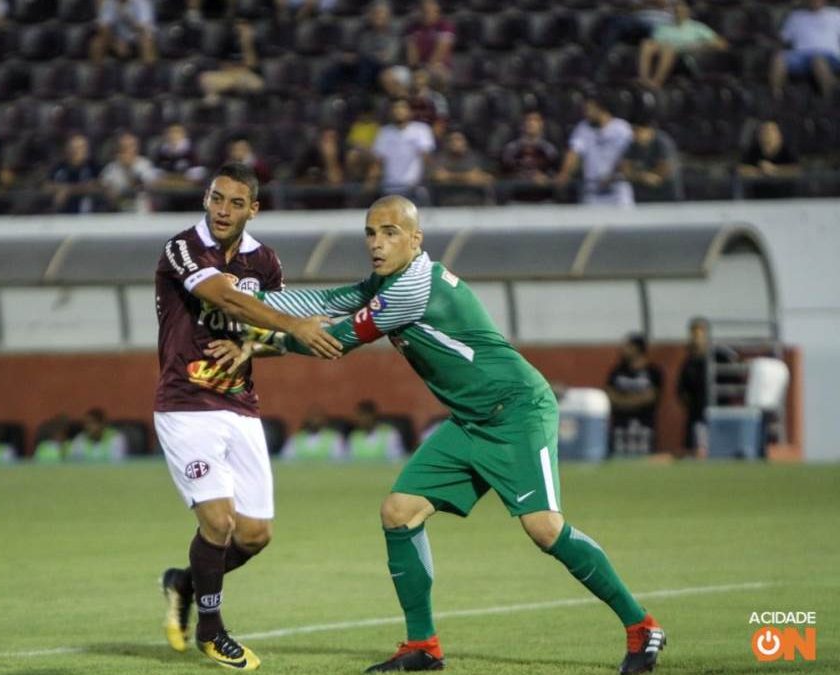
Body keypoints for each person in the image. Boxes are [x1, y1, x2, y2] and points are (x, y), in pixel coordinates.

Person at [238, 195, 665, 673]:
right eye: (371, 233)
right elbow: (319, 302)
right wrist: (234, 300)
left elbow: (332, 339)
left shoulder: (412, 289)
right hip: (471, 420)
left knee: (544, 528)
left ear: (416, 239)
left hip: (517, 412)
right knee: (400, 512)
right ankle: (423, 647)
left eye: (390, 233)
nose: (377, 243)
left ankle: (642, 627)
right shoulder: (384, 283)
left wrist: (262, 340)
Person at [154, 162, 341, 671]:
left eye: (236, 203)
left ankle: (183, 584)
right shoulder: (183, 248)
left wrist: (256, 350)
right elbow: (226, 299)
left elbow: (272, 340)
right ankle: (213, 632)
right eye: (216, 198)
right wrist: (293, 324)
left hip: (240, 407)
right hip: (185, 404)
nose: (222, 210)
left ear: (253, 209)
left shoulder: (267, 262)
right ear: (206, 199)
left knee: (254, 534)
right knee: (217, 521)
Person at [555, 94, 635, 206]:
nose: (586, 113)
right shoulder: (583, 128)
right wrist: (565, 173)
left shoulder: (621, 128)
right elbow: (574, 153)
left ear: (600, 109)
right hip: (592, 193)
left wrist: (613, 175)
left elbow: (628, 156)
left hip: (617, 192)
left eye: (589, 110)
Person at [676, 317, 738, 458]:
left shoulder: (720, 357)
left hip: (720, 415)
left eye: (699, 334)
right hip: (697, 417)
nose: (695, 338)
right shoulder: (689, 362)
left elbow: (733, 379)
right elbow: (681, 390)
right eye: (693, 334)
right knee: (696, 451)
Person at [637, 2, 726, 90]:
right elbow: (654, 43)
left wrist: (701, 45)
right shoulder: (663, 27)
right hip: (661, 49)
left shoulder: (697, 27)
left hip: (685, 52)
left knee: (668, 49)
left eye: (681, 9)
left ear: (688, 11)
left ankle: (656, 82)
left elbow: (721, 44)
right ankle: (644, 78)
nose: (678, 11)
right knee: (647, 43)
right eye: (676, 9)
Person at [605, 333, 664, 456]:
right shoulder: (617, 371)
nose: (623, 349)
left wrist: (623, 401)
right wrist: (636, 400)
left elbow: (651, 396)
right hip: (620, 428)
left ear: (637, 348)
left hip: (645, 428)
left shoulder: (653, 371)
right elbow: (609, 395)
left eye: (628, 346)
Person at [770, 0, 840, 99]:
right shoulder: (795, 17)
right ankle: (776, 95)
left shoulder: (835, 14)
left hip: (828, 55)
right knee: (779, 58)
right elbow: (783, 39)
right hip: (801, 56)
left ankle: (829, 97)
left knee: (818, 61)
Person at [500, 110, 560, 202]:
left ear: (542, 124)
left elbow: (558, 176)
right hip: (517, 200)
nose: (531, 123)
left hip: (543, 200)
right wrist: (523, 177)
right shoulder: (511, 149)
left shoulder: (550, 150)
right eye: (528, 120)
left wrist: (547, 179)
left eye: (535, 120)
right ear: (522, 124)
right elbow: (503, 175)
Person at [619, 116, 680, 202]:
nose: (635, 134)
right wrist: (642, 176)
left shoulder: (662, 142)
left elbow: (662, 173)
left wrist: (638, 175)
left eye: (639, 130)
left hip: (666, 197)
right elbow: (625, 169)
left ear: (649, 130)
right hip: (643, 198)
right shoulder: (633, 145)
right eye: (634, 130)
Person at [737, 119, 802, 199]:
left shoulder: (787, 151)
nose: (767, 136)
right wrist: (760, 171)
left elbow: (797, 170)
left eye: (771, 132)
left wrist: (774, 170)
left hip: (786, 200)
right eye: (764, 132)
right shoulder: (752, 151)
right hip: (757, 200)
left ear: (779, 136)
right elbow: (740, 169)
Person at [280, 404, 346, 461]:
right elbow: (286, 461)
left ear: (324, 419)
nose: (314, 420)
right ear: (307, 419)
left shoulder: (334, 438)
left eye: (317, 416)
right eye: (312, 416)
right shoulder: (295, 440)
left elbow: (339, 463)